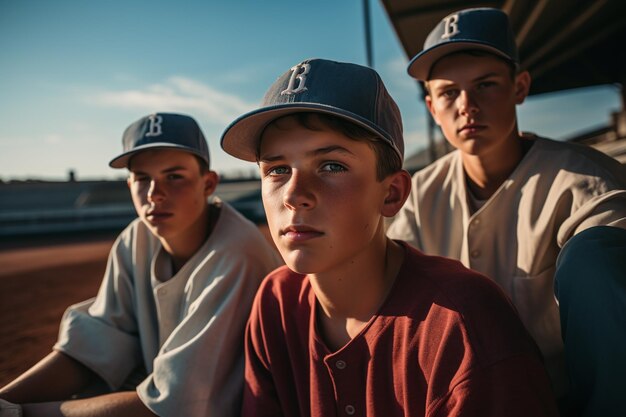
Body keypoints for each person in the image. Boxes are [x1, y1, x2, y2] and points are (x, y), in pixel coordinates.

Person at [220, 58, 559, 416]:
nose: (293, 194)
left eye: (331, 166)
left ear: (392, 193)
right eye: (277, 169)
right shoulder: (275, 303)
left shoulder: (462, 323)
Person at [385, 7, 626, 416]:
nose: (467, 105)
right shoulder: (418, 195)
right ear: (431, 106)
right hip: (460, 402)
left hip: (566, 403)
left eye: (486, 84)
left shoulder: (589, 181)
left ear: (519, 87)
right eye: (448, 92)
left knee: (594, 255)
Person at [0, 113, 282, 417]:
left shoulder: (238, 253)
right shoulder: (136, 237)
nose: (154, 194)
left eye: (174, 177)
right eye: (142, 178)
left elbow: (177, 405)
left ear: (208, 183)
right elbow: (94, 348)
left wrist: (18, 414)